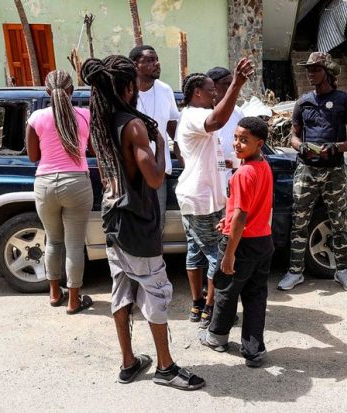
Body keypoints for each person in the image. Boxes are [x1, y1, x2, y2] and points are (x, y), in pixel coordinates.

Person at [81, 55, 205, 390]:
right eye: (133, 83)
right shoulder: (133, 126)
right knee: (156, 292)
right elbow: (153, 179)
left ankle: (129, 361)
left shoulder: (102, 121)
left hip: (114, 219)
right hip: (136, 223)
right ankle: (165, 367)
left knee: (121, 291)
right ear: (127, 88)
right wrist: (162, 143)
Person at [175, 59, 254, 329]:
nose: (214, 94)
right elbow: (218, 120)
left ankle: (197, 305)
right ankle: (212, 308)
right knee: (216, 256)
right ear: (197, 92)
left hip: (195, 196)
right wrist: (236, 84)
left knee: (195, 253)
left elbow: (204, 154)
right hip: (203, 200)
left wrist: (228, 165)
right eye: (211, 90)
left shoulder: (190, 116)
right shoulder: (196, 114)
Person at [277, 51, 347, 293]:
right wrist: (301, 146)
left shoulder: (344, 101)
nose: (310, 73)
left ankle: (343, 271)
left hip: (334, 170)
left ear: (326, 71)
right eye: (308, 69)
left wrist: (336, 147)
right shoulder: (303, 102)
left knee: (338, 220)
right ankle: (295, 272)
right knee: (299, 221)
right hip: (306, 170)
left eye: (314, 69)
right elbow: (293, 136)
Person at [199, 116, 274, 368]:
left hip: (242, 244)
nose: (237, 144)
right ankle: (254, 350)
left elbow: (242, 214)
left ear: (259, 143)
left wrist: (229, 253)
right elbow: (245, 211)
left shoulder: (243, 173)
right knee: (255, 295)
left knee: (225, 290)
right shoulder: (264, 166)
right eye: (236, 138)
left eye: (245, 140)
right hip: (263, 240)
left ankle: (217, 337)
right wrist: (227, 221)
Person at [26, 69, 94, 315]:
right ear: (72, 91)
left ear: (47, 91)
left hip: (44, 183)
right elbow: (93, 150)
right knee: (75, 245)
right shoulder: (84, 115)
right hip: (76, 182)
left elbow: (33, 156)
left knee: (53, 241)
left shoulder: (36, 118)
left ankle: (55, 294)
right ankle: (74, 300)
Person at [129, 45, 181, 233]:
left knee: (157, 224)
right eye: (150, 60)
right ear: (135, 65)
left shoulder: (165, 90)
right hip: (131, 173)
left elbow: (172, 126)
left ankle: (155, 262)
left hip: (159, 171)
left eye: (156, 59)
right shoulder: (126, 92)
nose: (156, 63)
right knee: (133, 225)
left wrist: (185, 158)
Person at [206, 66, 244, 180]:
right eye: (227, 84)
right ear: (213, 86)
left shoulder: (238, 112)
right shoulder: (201, 113)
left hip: (231, 179)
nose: (231, 88)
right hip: (207, 180)